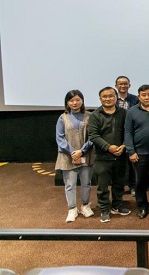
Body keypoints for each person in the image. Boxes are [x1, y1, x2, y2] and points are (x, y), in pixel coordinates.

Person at [88, 86, 130, 223]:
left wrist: (124, 145)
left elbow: (128, 132)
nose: (108, 99)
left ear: (116, 97)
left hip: (121, 156)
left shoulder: (123, 113)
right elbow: (93, 135)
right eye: (104, 96)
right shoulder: (95, 115)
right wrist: (108, 147)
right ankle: (104, 209)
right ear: (100, 99)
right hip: (102, 157)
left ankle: (117, 206)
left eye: (111, 96)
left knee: (119, 184)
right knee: (103, 187)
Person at [125, 84, 149, 219]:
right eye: (143, 95)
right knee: (140, 182)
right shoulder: (132, 111)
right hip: (139, 154)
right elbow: (128, 132)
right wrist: (131, 151)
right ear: (139, 96)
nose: (147, 97)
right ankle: (142, 206)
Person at [55, 90, 94, 222]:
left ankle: (85, 206)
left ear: (82, 101)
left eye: (77, 100)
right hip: (67, 156)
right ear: (67, 103)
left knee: (86, 183)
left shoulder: (90, 116)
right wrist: (73, 152)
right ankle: (72, 209)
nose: (75, 102)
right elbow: (60, 138)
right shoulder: (62, 118)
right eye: (71, 100)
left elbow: (93, 136)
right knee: (70, 184)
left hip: (86, 154)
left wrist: (81, 151)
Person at [115, 75, 138, 196]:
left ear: (129, 85)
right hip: (117, 132)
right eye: (120, 83)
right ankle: (120, 187)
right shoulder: (112, 99)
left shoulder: (135, 99)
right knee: (119, 162)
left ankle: (133, 186)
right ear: (116, 86)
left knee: (132, 162)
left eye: (125, 83)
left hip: (132, 132)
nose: (123, 86)